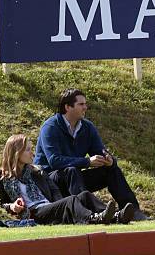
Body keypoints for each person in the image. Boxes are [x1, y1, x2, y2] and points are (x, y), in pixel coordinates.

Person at [34, 88, 148, 221]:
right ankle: (93, 215)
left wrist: (109, 160)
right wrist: (87, 162)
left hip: (74, 181)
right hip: (51, 183)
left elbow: (99, 151)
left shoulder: (87, 127)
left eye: (85, 104)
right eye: (81, 104)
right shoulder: (50, 127)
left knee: (111, 170)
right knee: (71, 171)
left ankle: (133, 212)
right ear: (67, 107)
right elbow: (54, 161)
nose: (85, 108)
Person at [0, 134, 135, 225]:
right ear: (16, 152)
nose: (32, 153)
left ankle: (116, 216)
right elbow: (3, 203)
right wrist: (13, 207)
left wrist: (58, 205)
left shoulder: (36, 171)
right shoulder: (2, 177)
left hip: (48, 206)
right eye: (27, 150)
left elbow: (54, 191)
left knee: (84, 195)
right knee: (71, 200)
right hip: (34, 213)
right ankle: (94, 219)